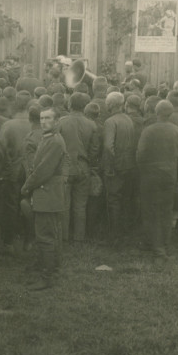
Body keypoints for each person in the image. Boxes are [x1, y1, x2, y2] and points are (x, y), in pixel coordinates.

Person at [21, 108, 67, 290]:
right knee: (49, 234)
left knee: (45, 236)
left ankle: (46, 277)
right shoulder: (48, 138)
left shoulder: (54, 141)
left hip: (47, 193)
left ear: (56, 121)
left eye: (48, 118)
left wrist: (26, 186)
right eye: (41, 118)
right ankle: (50, 267)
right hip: (47, 193)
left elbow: (42, 170)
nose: (44, 121)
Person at [136, 100, 178, 257]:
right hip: (169, 174)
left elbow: (140, 154)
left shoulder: (148, 130)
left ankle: (154, 245)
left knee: (149, 209)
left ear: (156, 112)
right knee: (165, 210)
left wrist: (143, 171)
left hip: (150, 175)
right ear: (170, 114)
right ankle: (162, 243)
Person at [57, 92, 101, 242]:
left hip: (65, 167)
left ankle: (63, 237)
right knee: (80, 205)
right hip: (83, 166)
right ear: (84, 107)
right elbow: (95, 149)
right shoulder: (91, 124)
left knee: (64, 204)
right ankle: (79, 238)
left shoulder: (61, 122)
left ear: (69, 105)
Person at [101, 91, 137, 238]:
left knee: (113, 200)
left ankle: (114, 234)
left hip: (115, 167)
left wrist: (111, 165)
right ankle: (125, 231)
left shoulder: (110, 122)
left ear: (110, 104)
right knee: (125, 199)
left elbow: (109, 147)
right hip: (129, 164)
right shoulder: (128, 119)